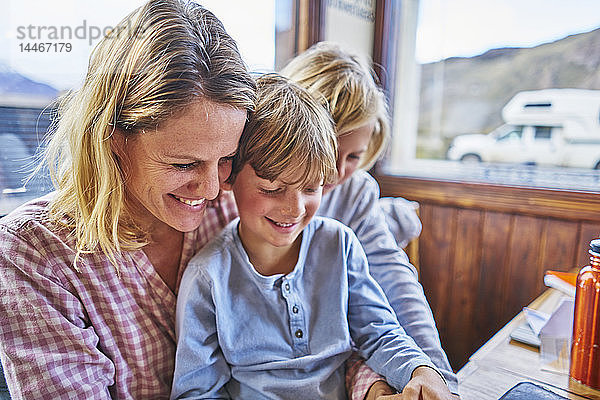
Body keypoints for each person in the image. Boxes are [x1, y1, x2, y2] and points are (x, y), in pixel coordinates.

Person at [0, 1, 257, 398]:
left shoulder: (239, 207)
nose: (210, 189)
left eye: (226, 159)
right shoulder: (34, 252)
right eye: (183, 164)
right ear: (113, 140)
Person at [170, 73, 452, 400]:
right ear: (229, 176)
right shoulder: (208, 278)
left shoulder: (340, 245)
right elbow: (198, 393)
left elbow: (379, 332)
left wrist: (423, 370)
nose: (294, 209)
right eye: (272, 189)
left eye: (310, 188)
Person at [280, 42, 459, 399]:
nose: (336, 170)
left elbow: (394, 278)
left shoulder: (357, 191)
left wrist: (438, 374)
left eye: (354, 156)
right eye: (328, 148)